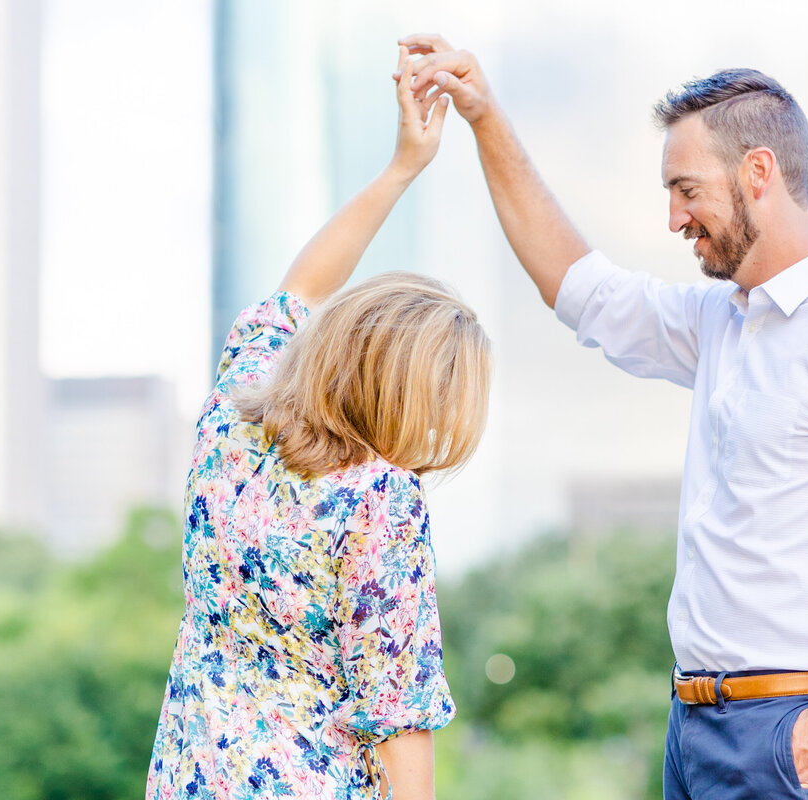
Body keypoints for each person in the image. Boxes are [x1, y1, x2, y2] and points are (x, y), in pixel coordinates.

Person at [395, 34, 808, 799]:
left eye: (687, 189)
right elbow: (580, 289)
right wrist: (485, 118)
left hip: (791, 740)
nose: (675, 217)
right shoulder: (722, 321)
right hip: (695, 731)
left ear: (758, 172)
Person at [145, 47, 485, 800]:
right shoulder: (380, 499)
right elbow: (398, 714)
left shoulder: (232, 413)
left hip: (190, 777)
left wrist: (402, 167)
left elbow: (304, 282)